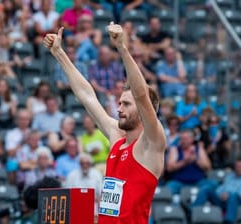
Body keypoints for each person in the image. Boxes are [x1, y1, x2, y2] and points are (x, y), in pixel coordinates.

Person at [43, 22, 166, 223]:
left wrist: (122, 48)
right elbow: (87, 96)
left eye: (126, 104)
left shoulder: (151, 143)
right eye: (119, 103)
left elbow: (142, 95)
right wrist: (59, 53)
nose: (119, 109)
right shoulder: (117, 136)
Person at [192, 157, 241, 224]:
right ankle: (192, 213)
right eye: (238, 166)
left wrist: (235, 196)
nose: (239, 168)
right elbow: (219, 191)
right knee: (206, 189)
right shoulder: (230, 177)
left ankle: (228, 221)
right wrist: (222, 195)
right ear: (234, 167)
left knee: (233, 195)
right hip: (224, 201)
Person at [165, 129, 211, 194]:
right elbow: (169, 168)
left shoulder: (199, 149)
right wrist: (184, 162)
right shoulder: (175, 149)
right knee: (168, 188)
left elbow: (208, 167)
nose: (183, 141)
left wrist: (196, 160)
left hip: (198, 181)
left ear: (192, 139)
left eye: (185, 139)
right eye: (181, 139)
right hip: (179, 182)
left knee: (209, 187)